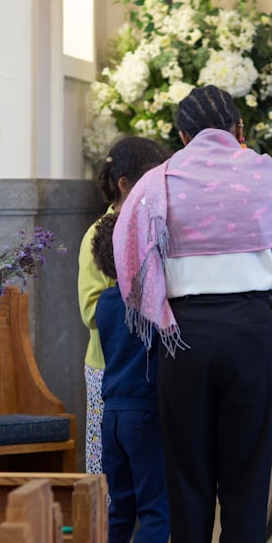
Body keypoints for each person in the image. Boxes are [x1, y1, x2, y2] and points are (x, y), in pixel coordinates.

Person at [113, 84, 272, 543]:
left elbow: (132, 263)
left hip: (183, 336)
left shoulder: (158, 180)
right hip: (249, 329)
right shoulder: (264, 172)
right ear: (239, 130)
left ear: (181, 135)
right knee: (246, 478)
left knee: (188, 477)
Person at [91, 212, 172, 543]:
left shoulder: (105, 304)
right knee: (158, 512)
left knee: (120, 511)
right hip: (147, 413)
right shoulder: (152, 301)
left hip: (114, 416)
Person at [77, 137, 168, 477]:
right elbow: (90, 309)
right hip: (108, 368)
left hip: (147, 370)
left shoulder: (154, 226)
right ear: (124, 184)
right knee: (109, 474)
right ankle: (107, 529)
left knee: (150, 472)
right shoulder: (97, 235)